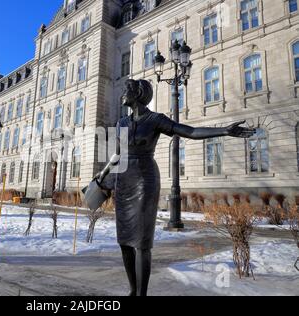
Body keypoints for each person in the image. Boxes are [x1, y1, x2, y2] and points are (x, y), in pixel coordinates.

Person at [94, 79, 255, 296]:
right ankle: (133, 291)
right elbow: (118, 154)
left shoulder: (155, 120)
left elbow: (189, 131)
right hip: (124, 182)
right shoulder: (121, 122)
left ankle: (142, 294)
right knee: (124, 241)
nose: (123, 94)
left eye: (127, 90)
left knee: (141, 242)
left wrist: (224, 131)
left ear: (139, 94)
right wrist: (103, 174)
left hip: (144, 181)